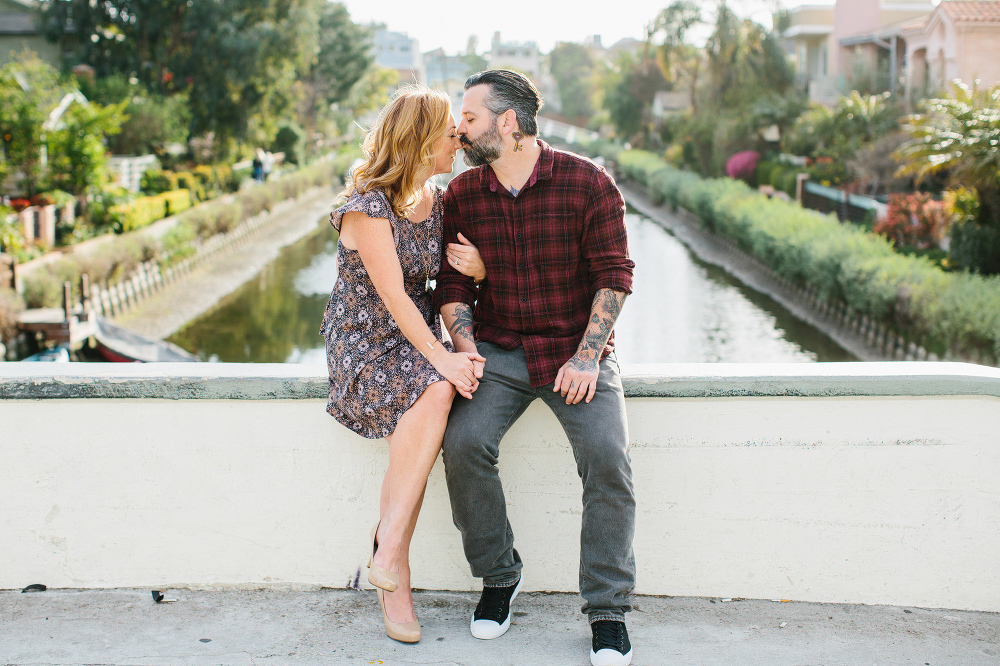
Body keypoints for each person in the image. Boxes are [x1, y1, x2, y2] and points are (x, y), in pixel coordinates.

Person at [435, 70, 637, 666]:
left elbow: (614, 275)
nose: (459, 128)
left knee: (607, 460)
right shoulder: (464, 194)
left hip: (577, 349)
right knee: (464, 444)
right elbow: (450, 284)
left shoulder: (587, 182)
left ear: (509, 122)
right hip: (497, 350)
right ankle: (499, 576)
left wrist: (587, 355)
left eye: (469, 117)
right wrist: (467, 348)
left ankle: (607, 611)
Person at [320, 86, 487, 644]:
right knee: (439, 390)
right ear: (421, 142)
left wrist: (480, 272)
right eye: (450, 135)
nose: (459, 142)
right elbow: (393, 297)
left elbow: (448, 282)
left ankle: (388, 550)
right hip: (364, 342)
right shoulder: (367, 206)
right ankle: (395, 560)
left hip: (415, 340)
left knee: (437, 392)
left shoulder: (437, 201)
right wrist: (446, 359)